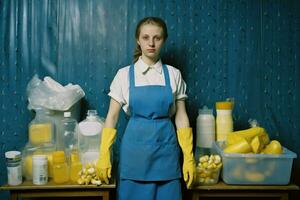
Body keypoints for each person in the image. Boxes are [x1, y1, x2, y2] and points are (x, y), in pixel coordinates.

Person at [96, 16, 196, 200]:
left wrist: (188, 157)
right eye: (145, 37)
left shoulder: (174, 74)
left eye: (157, 38)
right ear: (138, 40)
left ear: (164, 40)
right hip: (134, 157)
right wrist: (104, 154)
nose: (151, 43)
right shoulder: (124, 75)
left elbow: (181, 117)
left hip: (166, 155)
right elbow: (111, 117)